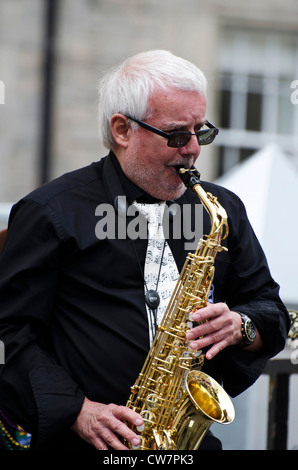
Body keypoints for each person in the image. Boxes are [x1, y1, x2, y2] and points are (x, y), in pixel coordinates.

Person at [0, 50, 289, 451]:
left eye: (200, 132)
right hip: (91, 442)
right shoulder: (51, 212)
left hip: (184, 439)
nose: (192, 149)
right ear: (122, 129)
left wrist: (243, 326)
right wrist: (78, 411)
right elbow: (11, 332)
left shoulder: (220, 209)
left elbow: (270, 308)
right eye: (175, 135)